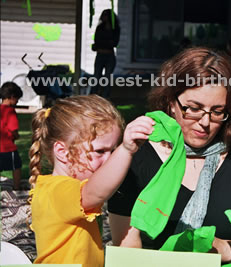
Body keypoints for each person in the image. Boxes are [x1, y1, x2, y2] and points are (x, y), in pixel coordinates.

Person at [107, 47, 231, 262]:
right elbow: (127, 250)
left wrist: (222, 249)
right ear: (171, 102)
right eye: (194, 108)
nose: (205, 122)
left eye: (217, 112)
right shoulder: (136, 159)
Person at [28, 95, 155, 267]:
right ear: (62, 152)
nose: (109, 159)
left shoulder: (64, 188)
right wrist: (125, 150)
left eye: (113, 150)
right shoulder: (56, 191)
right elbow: (94, 193)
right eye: (100, 151)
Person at [91, 9, 120, 98]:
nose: (104, 18)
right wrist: (107, 42)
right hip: (100, 55)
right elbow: (96, 41)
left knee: (107, 77)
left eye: (106, 16)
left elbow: (114, 43)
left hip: (109, 55)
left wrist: (103, 43)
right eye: (103, 15)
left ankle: (105, 97)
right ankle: (93, 95)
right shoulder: (100, 27)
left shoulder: (115, 28)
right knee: (96, 76)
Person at [0, 82, 23, 190]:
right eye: (17, 99)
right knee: (17, 166)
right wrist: (17, 136)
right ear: (12, 97)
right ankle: (17, 187)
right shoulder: (10, 111)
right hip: (8, 147)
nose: (17, 101)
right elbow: (13, 129)